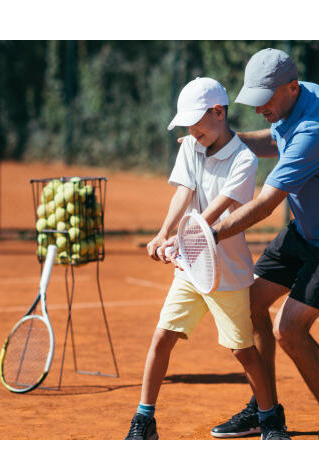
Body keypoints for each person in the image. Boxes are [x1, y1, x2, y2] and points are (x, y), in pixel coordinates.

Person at [207, 48, 319, 440]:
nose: (258, 108)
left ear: (291, 87)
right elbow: (272, 140)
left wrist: (209, 234)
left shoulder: (315, 131)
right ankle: (264, 407)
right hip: (309, 228)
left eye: (265, 100)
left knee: (289, 330)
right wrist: (226, 141)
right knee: (251, 303)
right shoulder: (301, 97)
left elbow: (266, 204)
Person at [124, 77, 290, 440]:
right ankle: (144, 420)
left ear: (219, 112)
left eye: (196, 121)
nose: (191, 130)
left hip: (226, 274)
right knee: (162, 338)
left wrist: (185, 240)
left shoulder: (243, 159)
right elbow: (184, 192)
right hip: (189, 271)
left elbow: (218, 211)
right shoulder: (191, 146)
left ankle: (270, 420)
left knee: (243, 351)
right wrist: (163, 233)